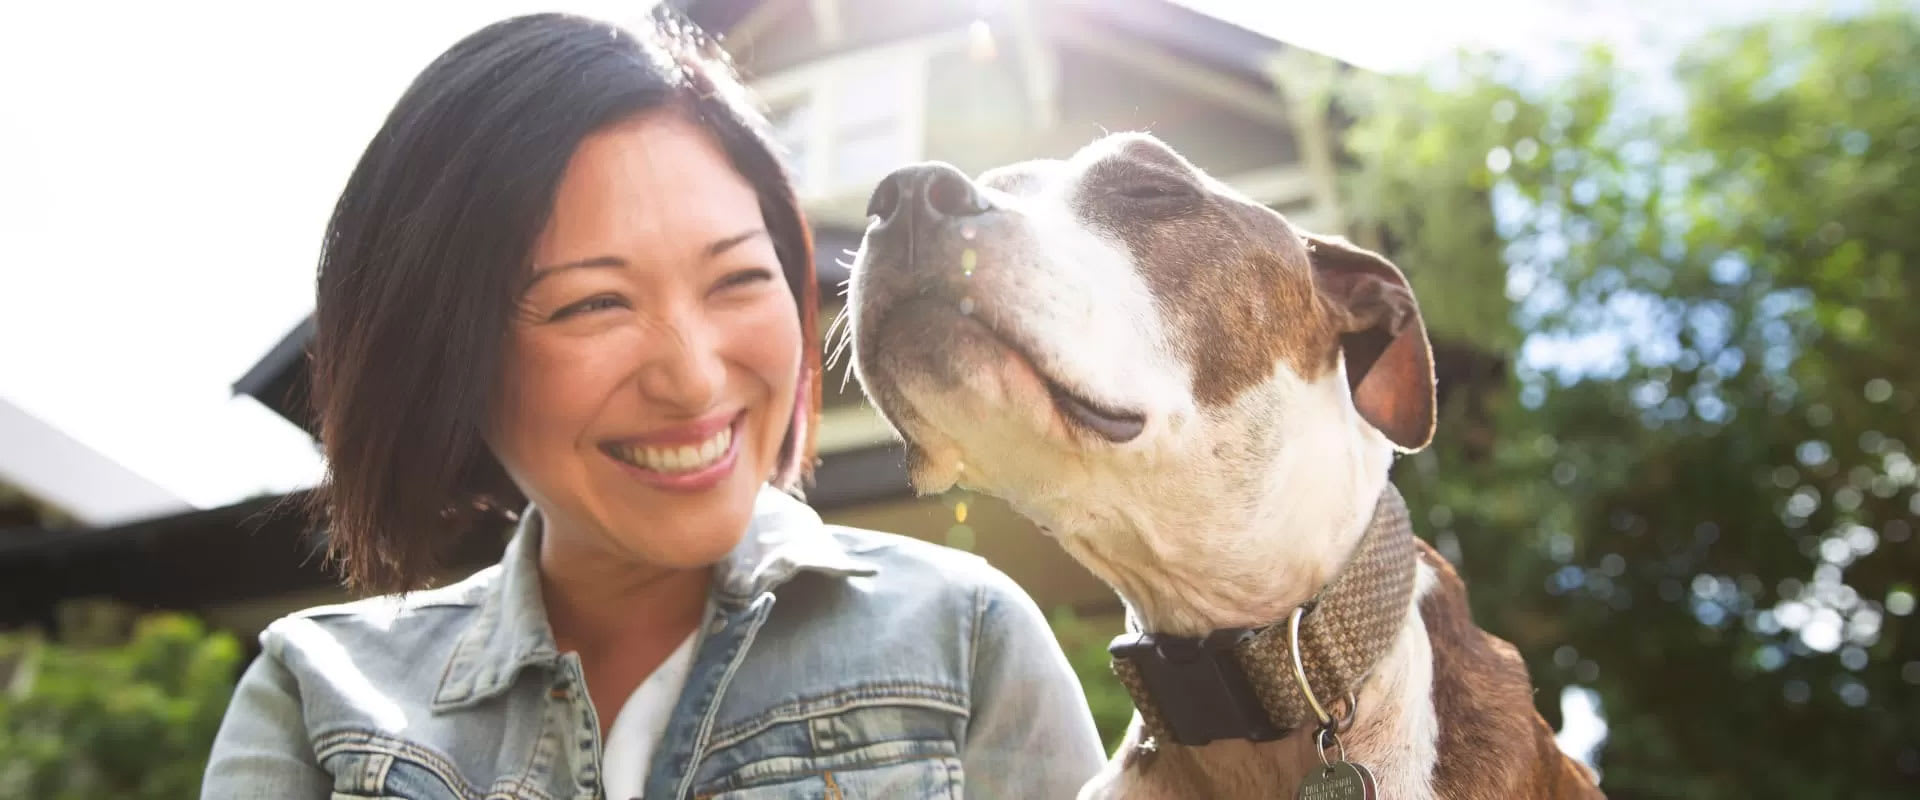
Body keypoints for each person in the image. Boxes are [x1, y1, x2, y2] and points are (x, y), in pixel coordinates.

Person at [200, 10, 1107, 800]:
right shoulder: (317, 699)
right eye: (595, 303)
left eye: (738, 280)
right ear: (451, 356)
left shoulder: (965, 641)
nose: (695, 379)